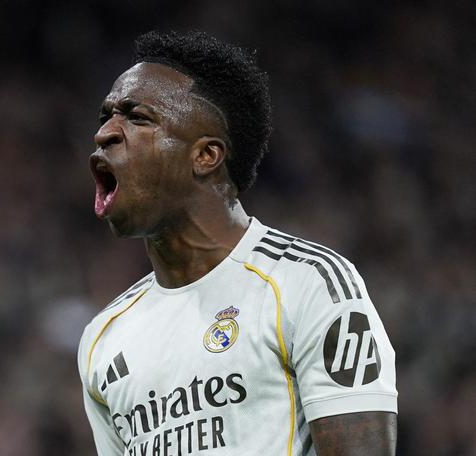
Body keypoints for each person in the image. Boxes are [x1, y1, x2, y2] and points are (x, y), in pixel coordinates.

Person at [78, 30, 397, 456]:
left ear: (205, 156)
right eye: (106, 117)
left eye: (137, 118)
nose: (105, 134)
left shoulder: (309, 284)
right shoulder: (103, 338)